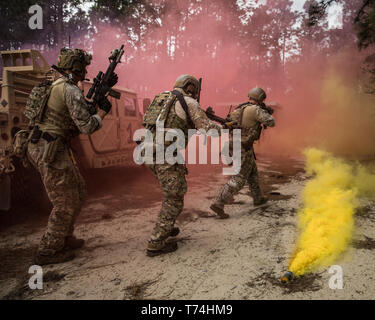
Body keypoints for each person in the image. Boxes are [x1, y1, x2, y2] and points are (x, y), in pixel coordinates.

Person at [26, 48, 117, 265]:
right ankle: (48, 250)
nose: (85, 70)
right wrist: (102, 112)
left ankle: (65, 237)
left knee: (78, 191)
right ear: (75, 67)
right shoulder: (69, 90)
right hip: (49, 148)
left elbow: (78, 112)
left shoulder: (57, 84)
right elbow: (86, 125)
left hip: (50, 145)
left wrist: (98, 96)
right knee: (64, 201)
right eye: (83, 67)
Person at [143, 74, 231, 257]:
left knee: (172, 190)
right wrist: (226, 128)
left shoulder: (162, 98)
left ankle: (167, 226)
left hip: (148, 151)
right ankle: (156, 242)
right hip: (165, 154)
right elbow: (208, 129)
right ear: (191, 88)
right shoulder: (189, 103)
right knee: (174, 196)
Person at [210, 87, 275, 219]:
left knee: (252, 172)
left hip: (235, 144)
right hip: (243, 146)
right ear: (261, 98)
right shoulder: (256, 110)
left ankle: (258, 198)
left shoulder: (239, 108)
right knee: (239, 177)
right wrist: (267, 112)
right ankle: (218, 203)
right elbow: (271, 122)